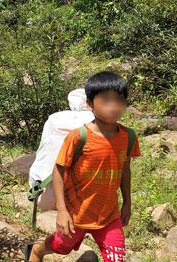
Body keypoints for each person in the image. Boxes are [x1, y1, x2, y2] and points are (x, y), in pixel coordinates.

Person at [29, 72, 140, 262]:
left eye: (119, 100)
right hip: (76, 214)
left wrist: (127, 202)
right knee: (60, 247)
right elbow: (59, 170)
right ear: (90, 104)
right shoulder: (79, 137)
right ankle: (37, 250)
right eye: (105, 100)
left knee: (116, 258)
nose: (113, 106)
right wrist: (62, 211)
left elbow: (125, 169)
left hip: (109, 215)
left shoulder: (128, 137)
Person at [28, 89, 94, 211]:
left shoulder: (54, 118)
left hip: (42, 190)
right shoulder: (94, 120)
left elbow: (43, 148)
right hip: (77, 192)